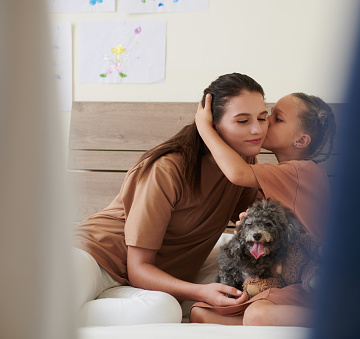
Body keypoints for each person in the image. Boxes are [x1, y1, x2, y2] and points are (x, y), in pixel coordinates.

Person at [72, 73, 269, 326]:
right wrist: (199, 292)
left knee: (165, 309)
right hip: (95, 256)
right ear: (211, 124)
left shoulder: (242, 167)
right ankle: (56, 315)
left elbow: (265, 222)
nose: (257, 130)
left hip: (143, 283)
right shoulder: (168, 168)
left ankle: (80, 313)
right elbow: (139, 267)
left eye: (263, 118)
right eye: (243, 121)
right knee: (48, 299)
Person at [189, 91, 336, 326]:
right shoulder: (277, 175)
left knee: (257, 315)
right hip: (278, 279)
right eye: (269, 114)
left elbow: (237, 172)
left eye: (277, 119)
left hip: (309, 278)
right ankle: (257, 318)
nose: (265, 122)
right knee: (199, 313)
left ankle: (340, 318)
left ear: (300, 140)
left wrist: (205, 127)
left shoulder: (303, 172)